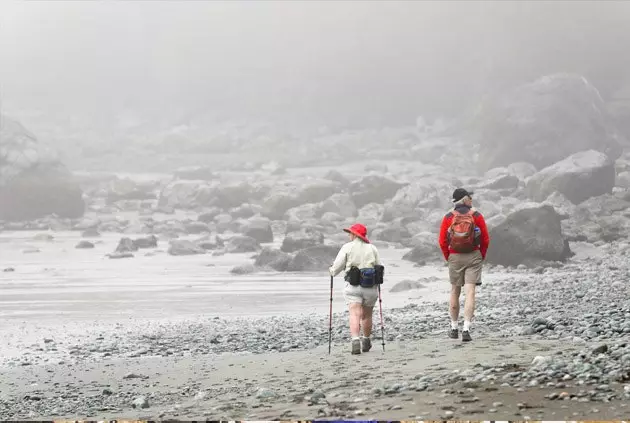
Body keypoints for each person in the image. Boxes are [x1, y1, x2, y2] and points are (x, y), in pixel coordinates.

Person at [438, 188, 490, 342]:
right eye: (469, 197)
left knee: (455, 291)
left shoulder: (448, 217)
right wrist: (481, 255)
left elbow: (442, 241)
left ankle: (454, 328)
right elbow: (486, 239)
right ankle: (466, 328)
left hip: (454, 256)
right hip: (473, 255)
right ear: (465, 199)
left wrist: (449, 257)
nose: (471, 199)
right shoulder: (477, 216)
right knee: (470, 292)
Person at [329, 223, 381, 355]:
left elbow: (336, 268)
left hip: (353, 286)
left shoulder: (347, 247)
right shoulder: (372, 248)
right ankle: (366, 340)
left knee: (354, 313)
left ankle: (355, 341)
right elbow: (379, 267)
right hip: (370, 287)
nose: (348, 235)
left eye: (350, 233)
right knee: (367, 315)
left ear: (354, 235)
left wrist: (332, 271)